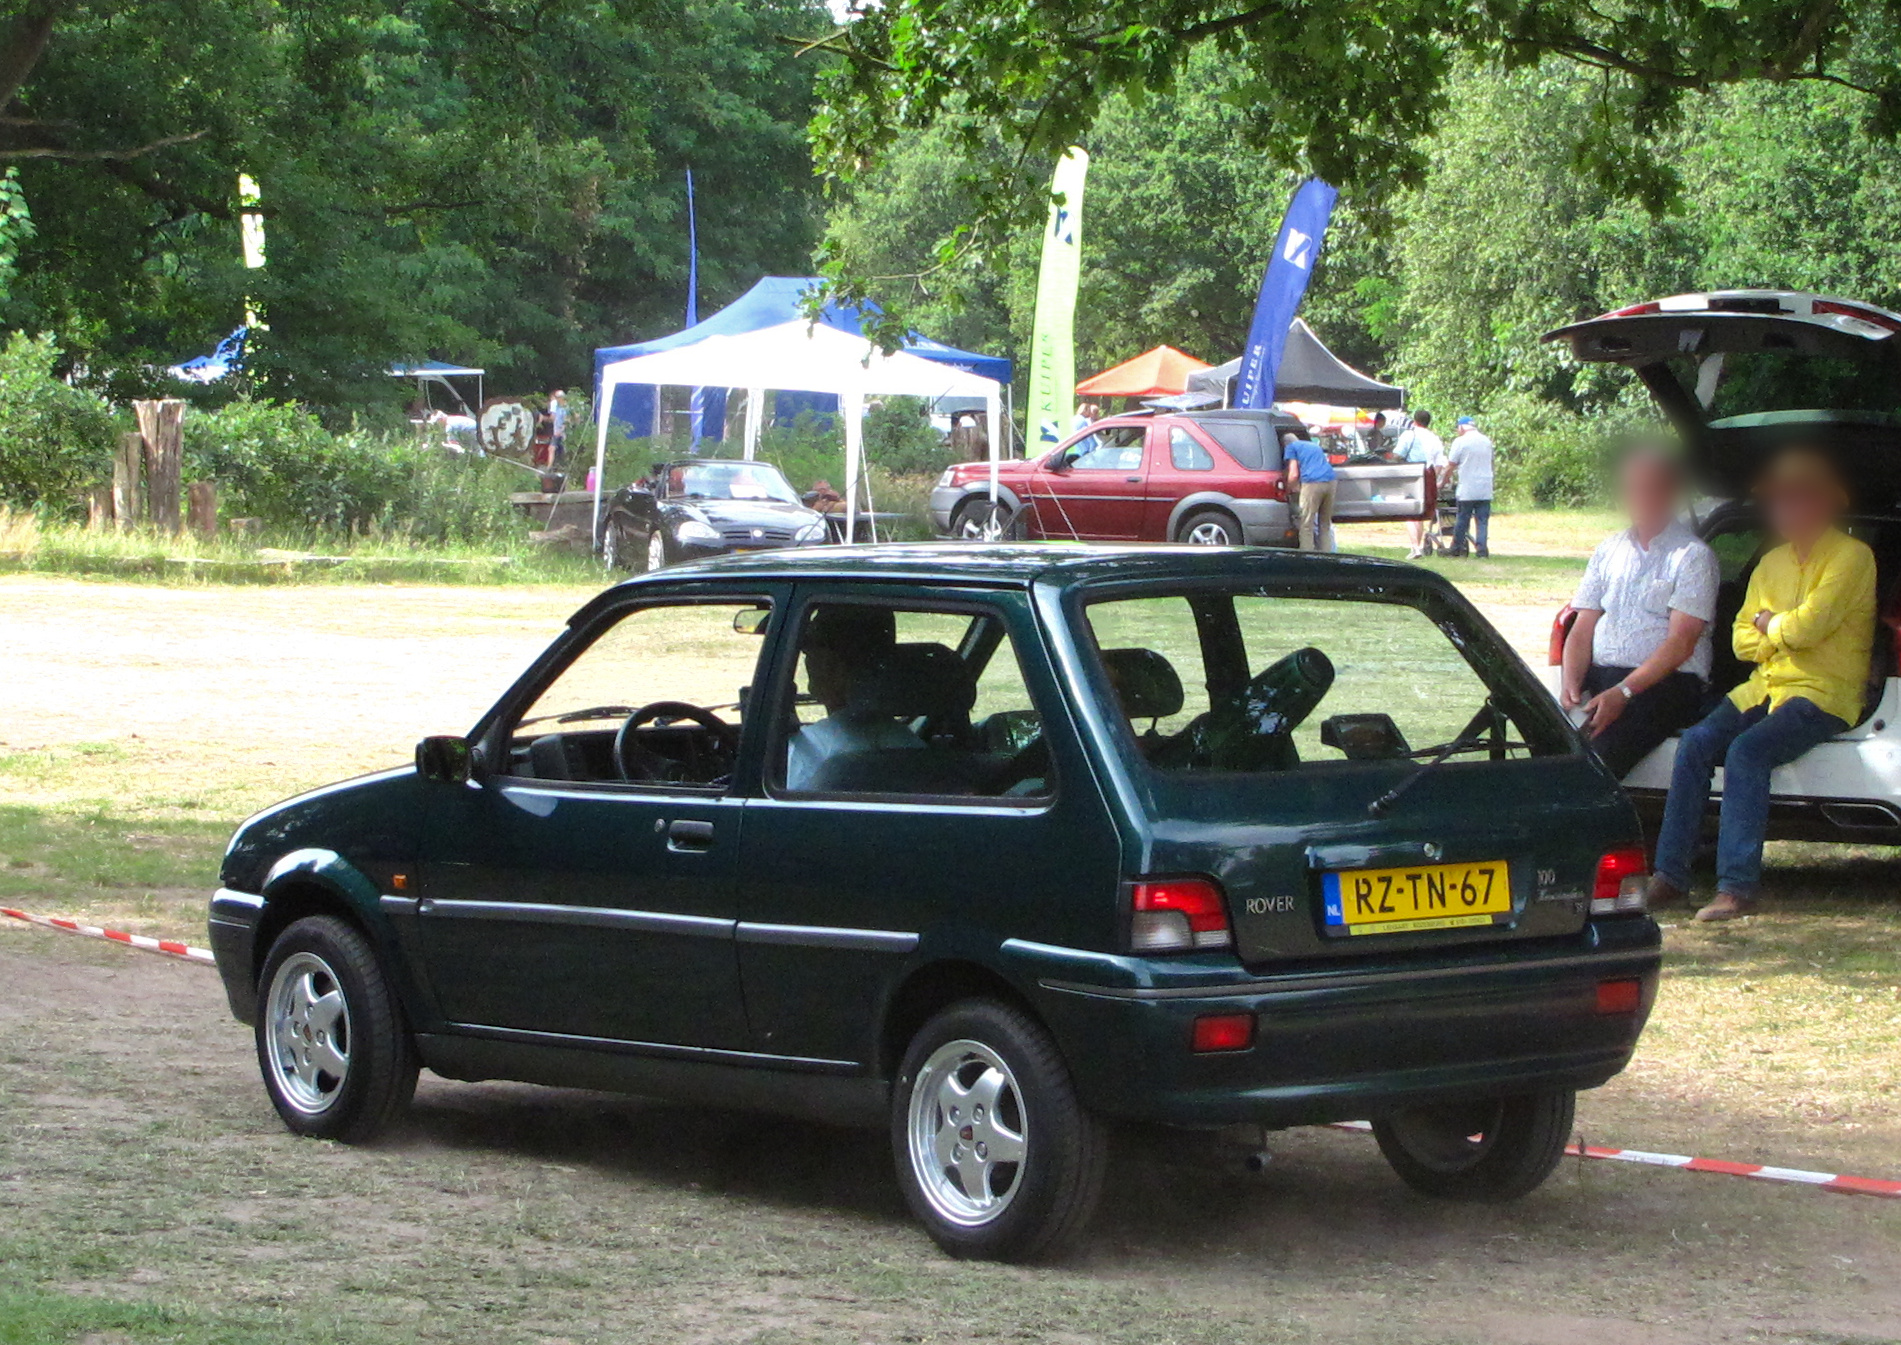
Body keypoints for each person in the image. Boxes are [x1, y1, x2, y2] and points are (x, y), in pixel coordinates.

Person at [1649, 448, 1876, 922]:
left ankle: (1736, 888)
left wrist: (1770, 626)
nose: (1784, 510)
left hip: (1824, 693)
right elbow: (1739, 641)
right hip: (1763, 686)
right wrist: (1777, 627)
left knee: (1747, 752)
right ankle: (1669, 876)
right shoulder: (1771, 562)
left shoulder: (1853, 557)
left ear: (1823, 504)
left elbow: (1808, 628)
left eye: (1796, 499)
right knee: (1694, 745)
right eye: (1778, 501)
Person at [1561, 448, 1720, 778]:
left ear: (1672, 492)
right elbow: (1582, 626)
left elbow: (1682, 643)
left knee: (1594, 766)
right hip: (1603, 676)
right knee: (1539, 741)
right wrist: (1570, 685)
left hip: (1665, 685)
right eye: (1632, 487)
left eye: (1651, 487)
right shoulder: (1608, 550)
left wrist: (1624, 692)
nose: (1641, 496)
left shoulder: (1693, 556)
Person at [785, 607, 924, 790]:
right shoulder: (915, 747)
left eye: (813, 646)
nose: (806, 656)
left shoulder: (807, 750)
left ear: (839, 667)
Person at [1395, 410, 1447, 558]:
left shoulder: (1409, 435)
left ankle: (1415, 547)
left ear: (1414, 420)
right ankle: (1417, 546)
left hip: (1411, 474)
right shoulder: (1434, 438)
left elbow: (1398, 454)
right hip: (1429, 475)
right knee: (1420, 512)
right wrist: (1434, 480)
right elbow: (1439, 463)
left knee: (1410, 512)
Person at [1280, 426, 1337, 553]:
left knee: (1306, 524)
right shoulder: (1312, 445)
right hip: (1331, 481)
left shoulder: (1291, 447)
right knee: (1324, 524)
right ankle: (1326, 556)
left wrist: (1288, 489)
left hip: (1312, 483)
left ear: (1285, 444)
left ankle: (1308, 555)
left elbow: (1293, 474)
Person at [1447, 415, 1495, 558]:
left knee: (1462, 519)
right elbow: (1492, 463)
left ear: (1461, 427)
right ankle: (1482, 551)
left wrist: (1443, 480)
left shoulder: (1460, 442)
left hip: (1467, 488)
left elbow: (1451, 465)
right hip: (1485, 487)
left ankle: (1456, 548)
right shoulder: (1486, 441)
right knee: (1482, 521)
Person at [548, 389, 568, 467]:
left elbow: (567, 421)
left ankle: (565, 466)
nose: (556, 399)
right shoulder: (557, 407)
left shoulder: (566, 408)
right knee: (552, 449)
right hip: (557, 431)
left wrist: (561, 430)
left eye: (557, 397)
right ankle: (549, 467)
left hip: (563, 432)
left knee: (563, 449)